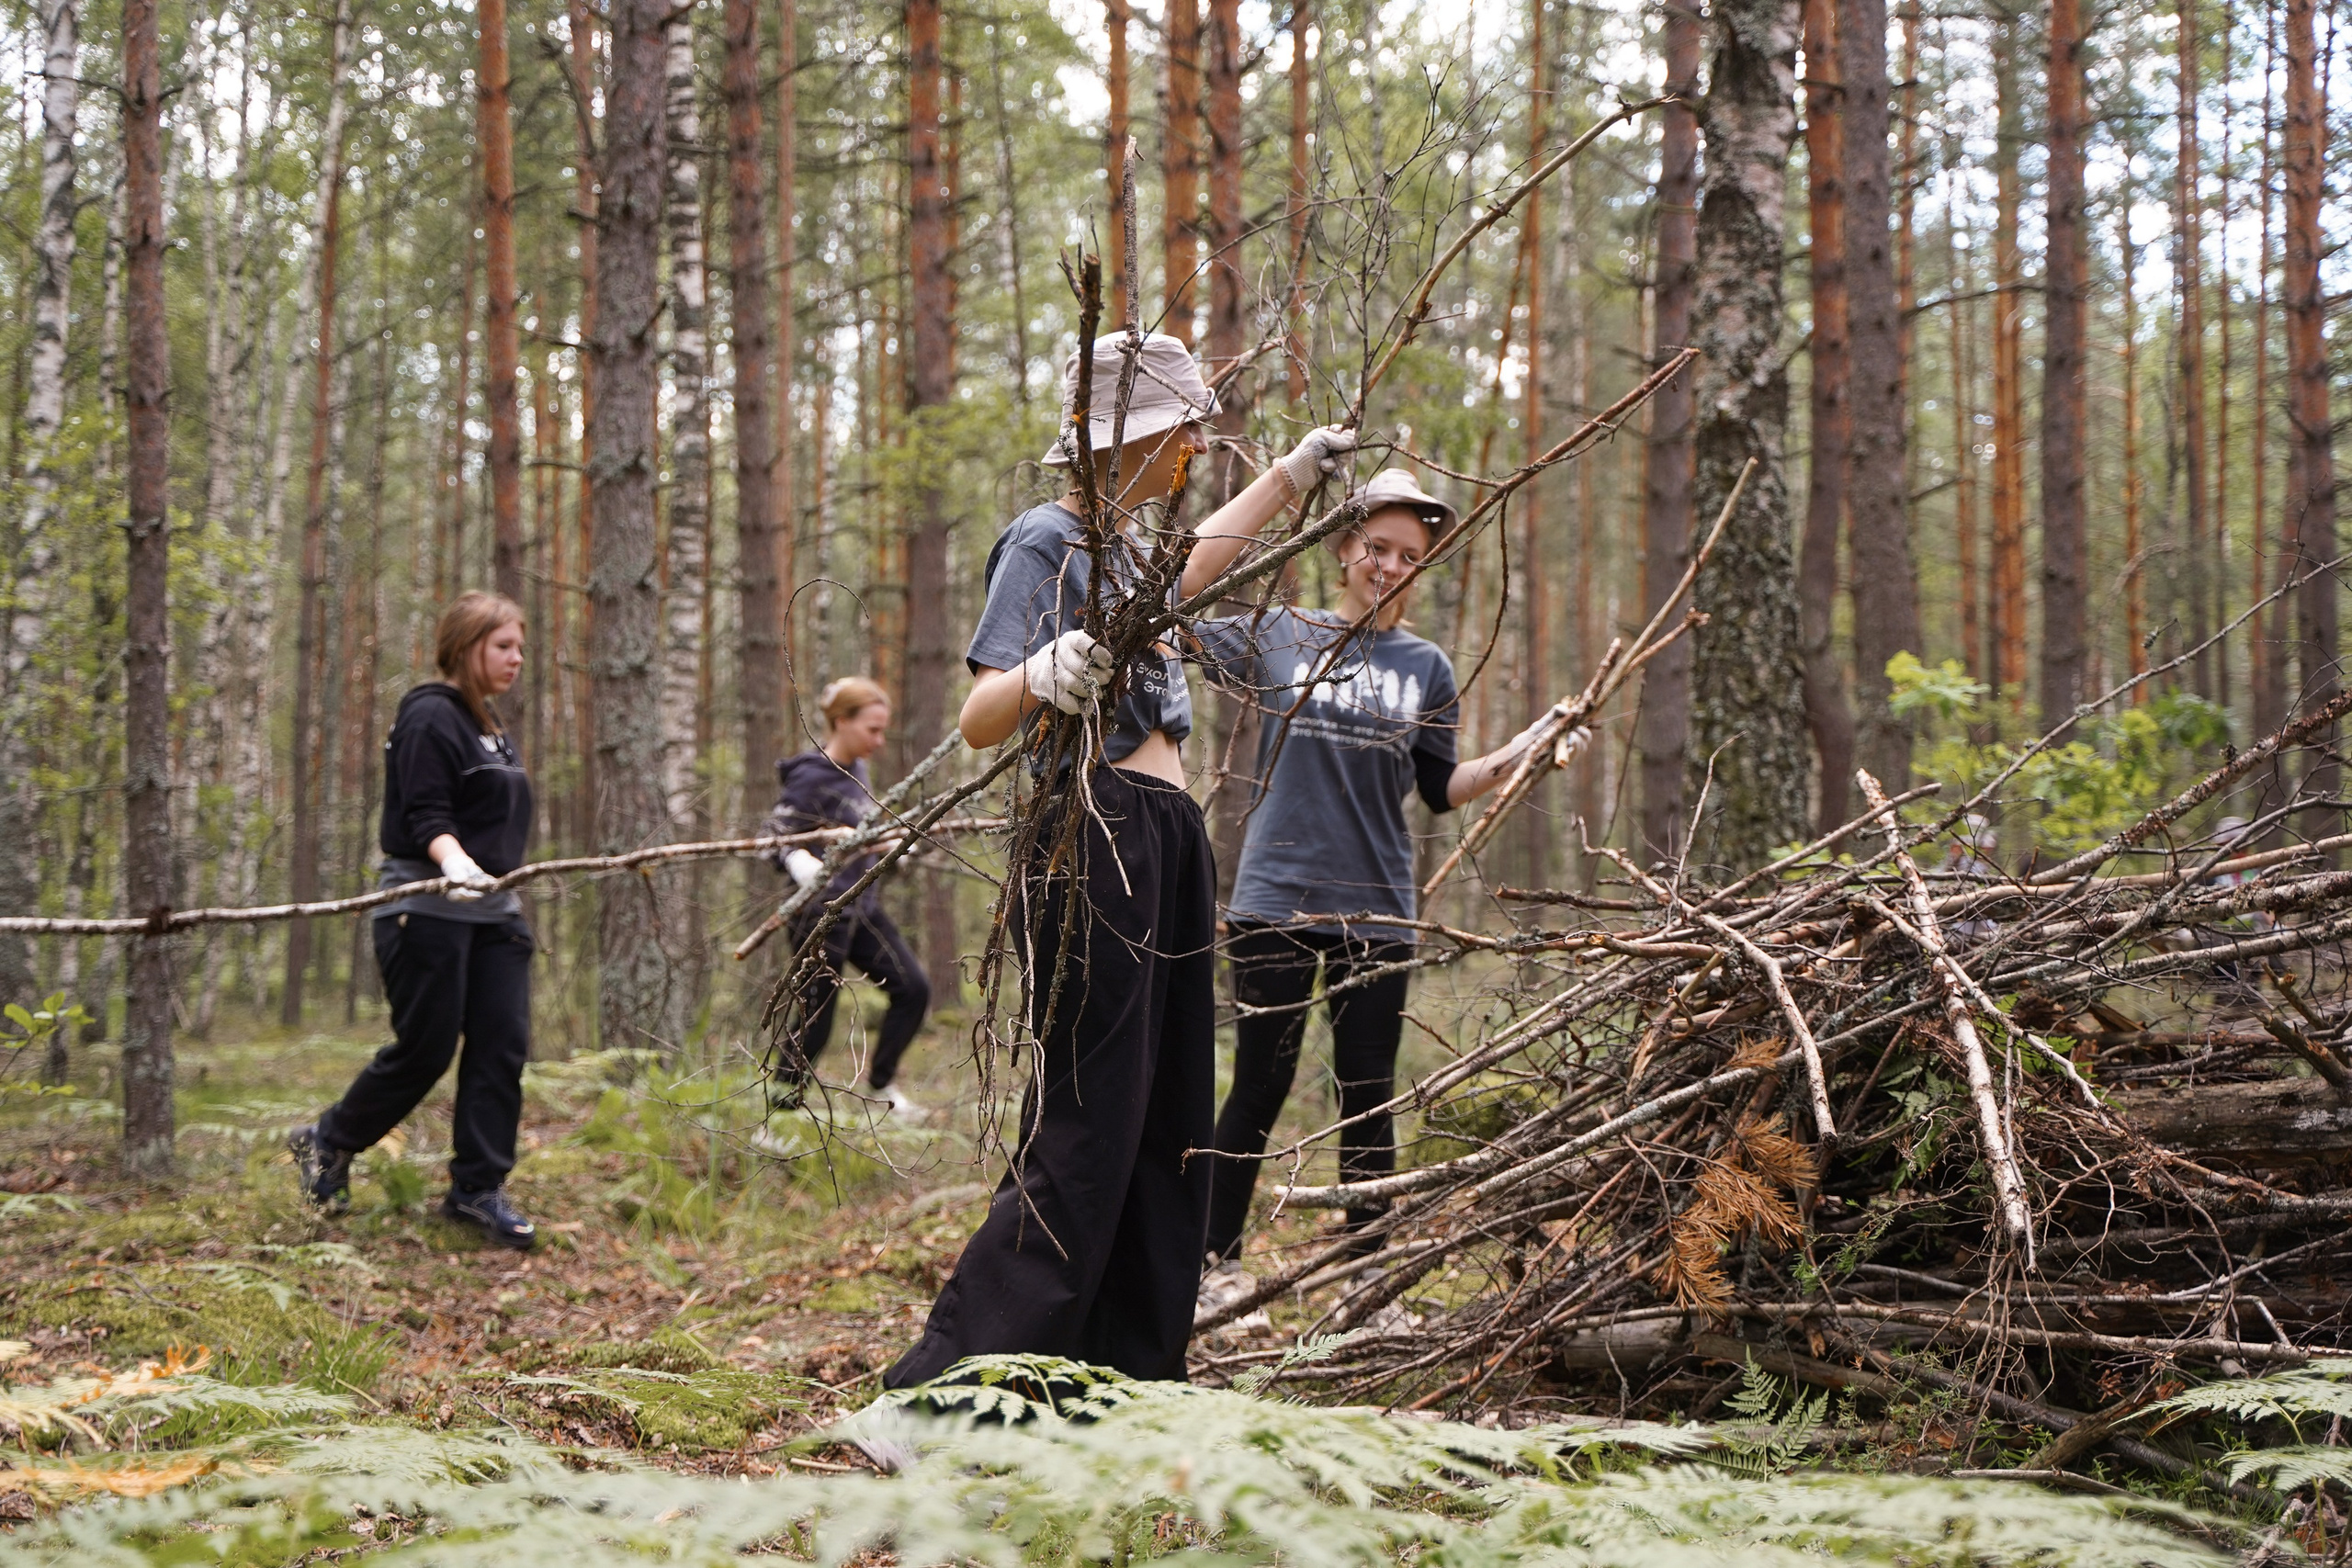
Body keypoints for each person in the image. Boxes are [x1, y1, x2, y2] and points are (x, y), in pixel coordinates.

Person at [882, 330, 1357, 1387]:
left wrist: (1292, 476)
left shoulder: (1131, 546)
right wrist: (1043, 671)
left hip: (1166, 839)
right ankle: (955, 1381)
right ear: (1124, 434)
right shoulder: (1046, 539)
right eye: (1180, 426)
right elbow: (976, 716)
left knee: (1172, 1112)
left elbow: (1194, 567)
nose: (1195, 443)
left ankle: (1126, 1372)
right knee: (1093, 1114)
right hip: (1096, 831)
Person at [1190, 468, 1585, 1288]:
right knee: (1259, 1086)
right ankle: (1215, 1265)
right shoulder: (1282, 631)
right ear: (1342, 547)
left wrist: (1526, 748)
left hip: (1379, 909)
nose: (1391, 566)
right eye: (1378, 547)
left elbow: (1441, 787)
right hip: (1275, 898)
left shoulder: (1427, 667)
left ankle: (1365, 1281)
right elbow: (1183, 621)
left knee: (1367, 1095)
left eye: (1409, 555)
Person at [288, 592, 538, 1250]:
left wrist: (490, 879)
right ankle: (328, 1140)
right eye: (503, 646)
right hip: (425, 903)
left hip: (496, 913)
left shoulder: (491, 725)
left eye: (519, 646)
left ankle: (477, 1189)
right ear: (465, 647)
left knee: (500, 1046)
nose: (518, 658)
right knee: (426, 1047)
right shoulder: (430, 714)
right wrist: (454, 863)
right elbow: (427, 812)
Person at [763, 675, 931, 1114]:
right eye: (871, 729)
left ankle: (880, 1087)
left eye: (882, 730)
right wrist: (803, 866)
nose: (878, 740)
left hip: (861, 907)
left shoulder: (856, 770)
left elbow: (861, 830)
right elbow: (773, 837)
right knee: (816, 1016)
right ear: (841, 721)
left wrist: (892, 845)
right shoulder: (812, 775)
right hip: (818, 916)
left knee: (913, 988)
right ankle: (779, 1113)